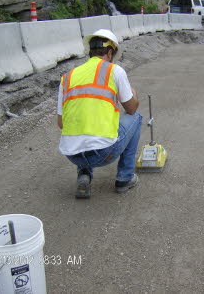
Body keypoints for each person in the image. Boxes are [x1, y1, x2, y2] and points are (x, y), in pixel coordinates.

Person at [57, 29, 142, 198]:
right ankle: (124, 179)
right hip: (103, 153)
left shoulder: (67, 77)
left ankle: (84, 175)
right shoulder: (114, 70)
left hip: (72, 155)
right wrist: (133, 93)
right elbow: (131, 109)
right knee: (136, 118)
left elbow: (61, 124)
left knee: (83, 124)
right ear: (110, 53)